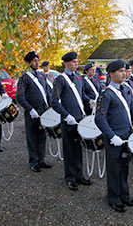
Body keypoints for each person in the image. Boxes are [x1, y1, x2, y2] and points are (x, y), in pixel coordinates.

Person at [95, 60, 133, 213]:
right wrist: (111, 136)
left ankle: (124, 195)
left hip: (127, 135)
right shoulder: (106, 94)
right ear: (111, 74)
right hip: (114, 138)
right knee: (114, 169)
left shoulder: (126, 89)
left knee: (124, 168)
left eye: (125, 71)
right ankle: (113, 198)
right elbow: (99, 118)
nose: (124, 73)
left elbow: (130, 110)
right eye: (120, 71)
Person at [51, 52, 94, 191]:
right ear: (65, 63)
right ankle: (70, 177)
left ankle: (79, 174)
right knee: (69, 149)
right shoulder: (60, 80)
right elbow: (54, 101)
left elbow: (81, 96)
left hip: (79, 119)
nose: (76, 64)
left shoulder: (78, 77)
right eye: (74, 62)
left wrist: (90, 101)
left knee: (78, 148)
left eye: (77, 61)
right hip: (68, 120)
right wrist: (66, 115)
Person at [16, 51, 52, 172]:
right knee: (32, 136)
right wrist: (30, 109)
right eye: (34, 61)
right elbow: (19, 97)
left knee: (42, 135)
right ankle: (33, 161)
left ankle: (41, 159)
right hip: (32, 111)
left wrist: (51, 105)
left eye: (37, 60)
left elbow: (47, 92)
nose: (37, 63)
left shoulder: (42, 76)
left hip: (43, 110)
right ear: (28, 63)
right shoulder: (25, 78)